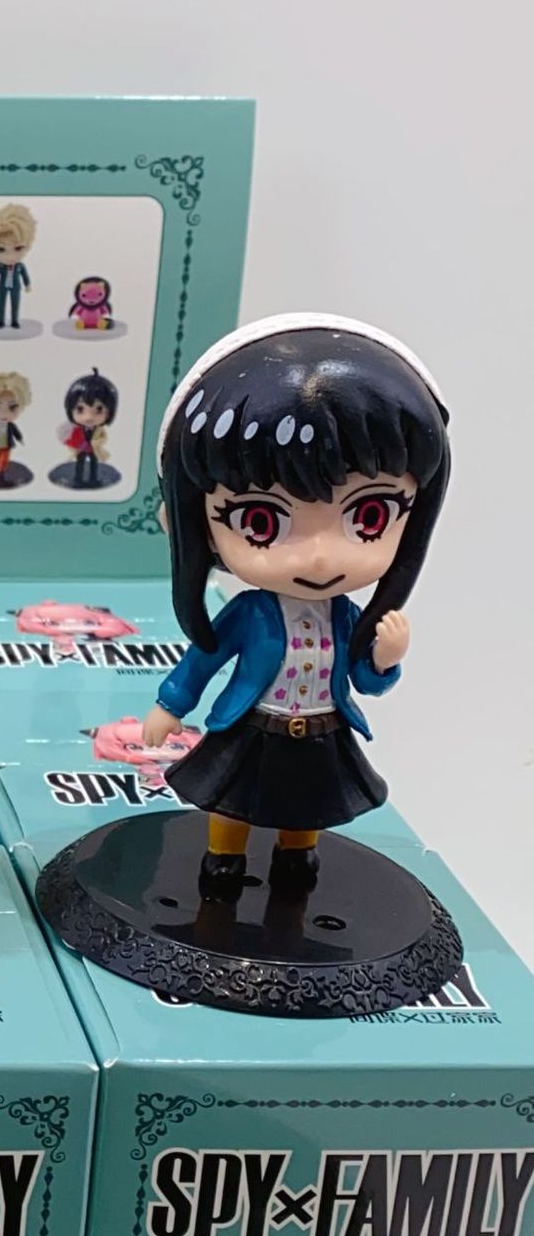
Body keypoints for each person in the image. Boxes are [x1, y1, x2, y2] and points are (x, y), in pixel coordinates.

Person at [143, 316, 450, 898]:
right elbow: (204, 659)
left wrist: (384, 659)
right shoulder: (250, 614)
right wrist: (170, 704)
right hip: (255, 726)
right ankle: (224, 862)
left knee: (309, 806)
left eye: (369, 516)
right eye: (261, 521)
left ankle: (296, 860)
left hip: (322, 731)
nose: (319, 556)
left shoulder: (347, 617)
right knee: (232, 799)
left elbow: (364, 680)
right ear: (190, 521)